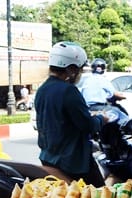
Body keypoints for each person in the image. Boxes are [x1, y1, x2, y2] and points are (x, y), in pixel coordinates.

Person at [34, 41, 108, 186]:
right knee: (99, 195)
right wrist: (101, 119)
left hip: (48, 158)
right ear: (71, 69)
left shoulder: (43, 89)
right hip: (72, 162)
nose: (79, 73)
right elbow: (87, 125)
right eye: (79, 69)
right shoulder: (69, 91)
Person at [78, 58, 132, 138]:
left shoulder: (85, 80)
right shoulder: (103, 79)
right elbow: (115, 94)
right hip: (101, 108)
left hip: (87, 108)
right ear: (103, 69)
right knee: (119, 113)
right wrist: (122, 97)